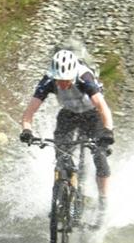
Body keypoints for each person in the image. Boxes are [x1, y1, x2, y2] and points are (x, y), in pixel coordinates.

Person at [19, 49, 114, 215]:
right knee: (62, 155)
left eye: (66, 80)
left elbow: (102, 107)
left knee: (100, 155)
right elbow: (29, 112)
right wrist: (27, 130)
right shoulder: (48, 80)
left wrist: (107, 131)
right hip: (68, 114)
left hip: (93, 115)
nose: (62, 84)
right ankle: (62, 194)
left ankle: (104, 201)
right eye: (59, 81)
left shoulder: (85, 77)